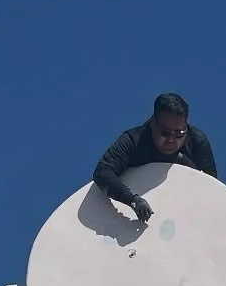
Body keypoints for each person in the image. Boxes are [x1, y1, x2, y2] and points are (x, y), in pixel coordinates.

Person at [93, 93, 218, 224]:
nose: (171, 140)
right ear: (153, 123)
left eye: (179, 134)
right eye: (165, 133)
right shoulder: (133, 141)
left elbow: (212, 187)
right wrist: (133, 200)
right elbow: (103, 172)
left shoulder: (197, 141)